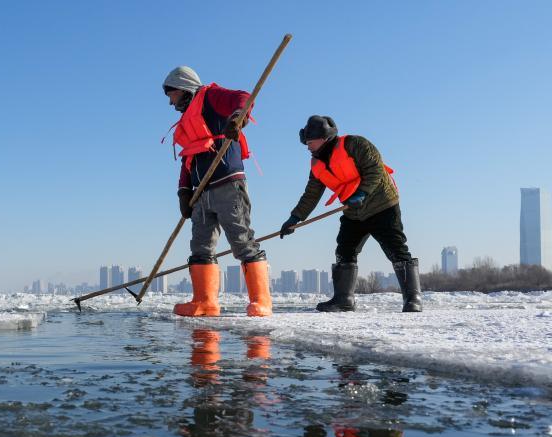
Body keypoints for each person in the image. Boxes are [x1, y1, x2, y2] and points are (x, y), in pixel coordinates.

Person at [280, 115, 422, 313]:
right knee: (345, 250)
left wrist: (362, 192)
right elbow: (311, 194)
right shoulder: (317, 164)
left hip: (382, 206)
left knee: (396, 249)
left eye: (310, 142)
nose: (307, 146)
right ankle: (343, 299)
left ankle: (413, 298)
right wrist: (295, 218)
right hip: (353, 212)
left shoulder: (355, 144)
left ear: (324, 138)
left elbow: (375, 169)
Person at [162, 66, 271, 318]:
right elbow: (187, 159)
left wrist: (237, 118)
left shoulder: (210, 96)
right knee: (200, 246)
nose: (170, 102)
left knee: (241, 240)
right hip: (201, 192)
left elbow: (243, 97)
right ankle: (204, 302)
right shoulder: (188, 119)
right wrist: (183, 192)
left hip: (227, 183)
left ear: (183, 88)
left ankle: (261, 301)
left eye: (172, 95)